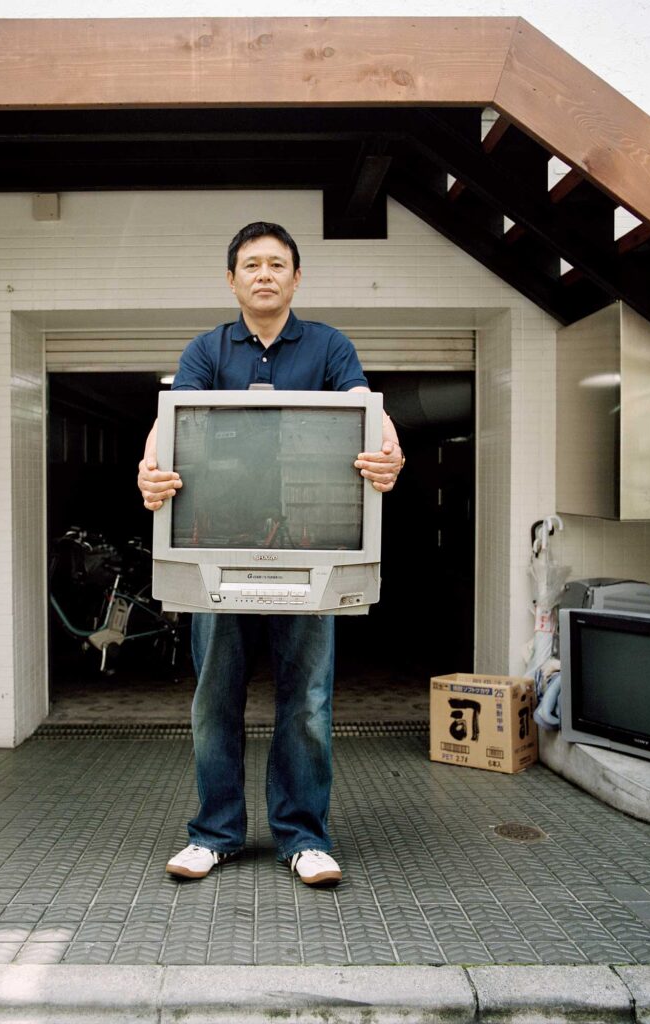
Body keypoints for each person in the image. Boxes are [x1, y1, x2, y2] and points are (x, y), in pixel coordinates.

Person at [137, 222, 404, 887]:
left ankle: (303, 838)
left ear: (296, 277)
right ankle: (214, 834)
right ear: (232, 279)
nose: (264, 274)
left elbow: (364, 405)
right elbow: (172, 417)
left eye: (277, 264)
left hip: (308, 549)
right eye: (251, 264)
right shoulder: (206, 350)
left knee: (307, 701)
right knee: (214, 699)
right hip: (216, 548)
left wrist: (389, 448)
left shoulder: (329, 346)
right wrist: (150, 466)